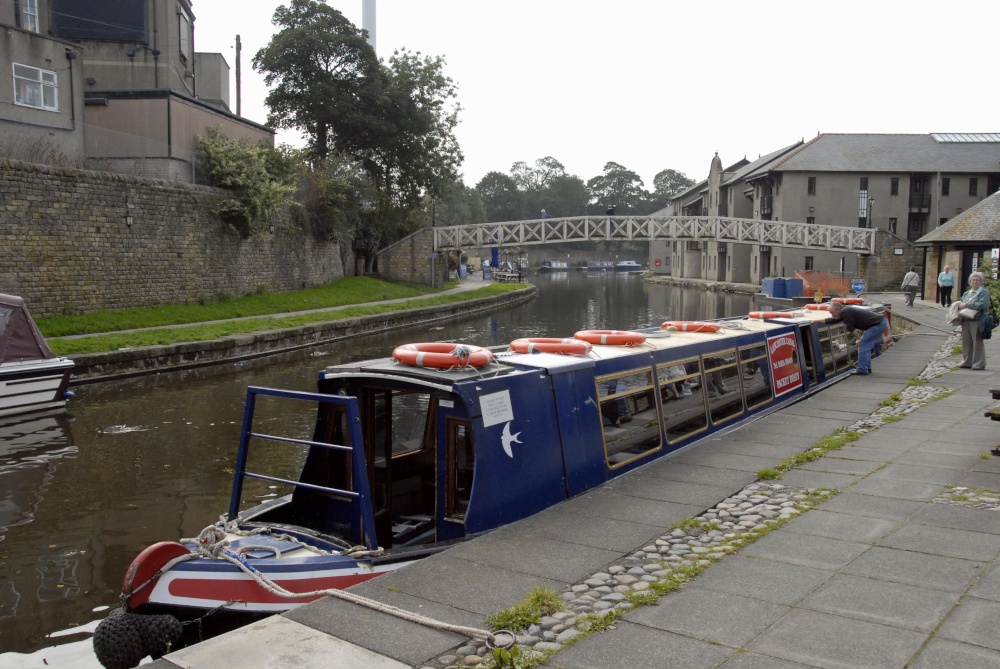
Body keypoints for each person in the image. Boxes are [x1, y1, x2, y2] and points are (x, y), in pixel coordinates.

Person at [825, 301, 888, 376]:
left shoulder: (846, 312)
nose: (832, 315)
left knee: (863, 346)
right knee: (866, 347)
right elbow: (832, 320)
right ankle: (867, 368)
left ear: (838, 310)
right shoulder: (844, 311)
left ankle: (862, 369)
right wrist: (815, 321)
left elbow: (851, 328)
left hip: (877, 325)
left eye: (832, 312)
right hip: (880, 323)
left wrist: (859, 339)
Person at [956, 271, 990, 370]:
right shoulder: (967, 293)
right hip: (965, 320)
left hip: (977, 320)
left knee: (977, 341)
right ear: (970, 281)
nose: (975, 282)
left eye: (977, 280)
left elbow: (982, 304)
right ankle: (967, 361)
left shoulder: (984, 292)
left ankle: (979, 363)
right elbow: (961, 302)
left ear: (980, 282)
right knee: (966, 342)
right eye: (973, 280)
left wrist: (967, 305)